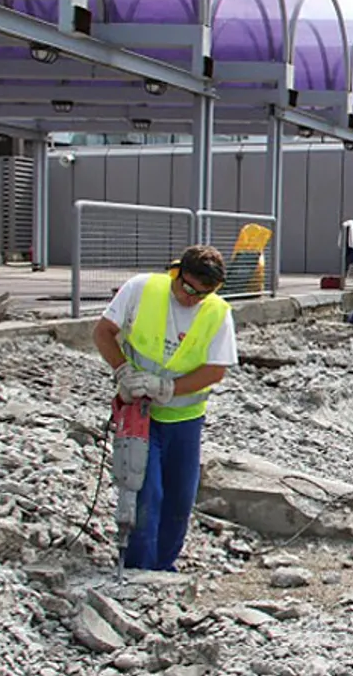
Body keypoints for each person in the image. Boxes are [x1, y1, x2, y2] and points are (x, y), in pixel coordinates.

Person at [92, 245, 238, 572]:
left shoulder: (217, 311)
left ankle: (162, 567)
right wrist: (123, 371)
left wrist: (169, 388)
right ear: (176, 272)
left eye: (202, 293)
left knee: (179, 501)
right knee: (146, 494)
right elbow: (103, 332)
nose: (192, 297)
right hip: (140, 417)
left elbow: (216, 369)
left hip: (186, 421)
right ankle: (137, 568)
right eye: (187, 288)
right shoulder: (142, 289)